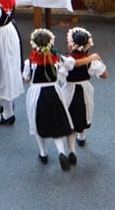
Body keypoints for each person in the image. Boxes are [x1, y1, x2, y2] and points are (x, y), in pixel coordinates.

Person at [24, 28, 75, 171]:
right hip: (53, 91)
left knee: (36, 121)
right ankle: (61, 152)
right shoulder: (56, 59)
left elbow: (27, 78)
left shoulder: (30, 62)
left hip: (36, 93)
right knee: (57, 122)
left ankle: (43, 153)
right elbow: (69, 66)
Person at [61, 27, 108, 152]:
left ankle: (70, 141)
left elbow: (59, 74)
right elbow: (104, 75)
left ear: (71, 45)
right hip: (84, 89)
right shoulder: (90, 61)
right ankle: (81, 136)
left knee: (68, 111)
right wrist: (98, 59)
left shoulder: (65, 59)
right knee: (84, 110)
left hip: (68, 90)